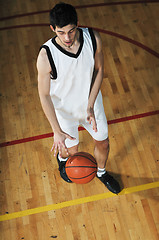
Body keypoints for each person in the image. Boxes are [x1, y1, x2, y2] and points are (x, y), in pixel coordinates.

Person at [37, 2, 121, 194]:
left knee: (103, 142)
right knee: (72, 154)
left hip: (91, 104)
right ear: (53, 29)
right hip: (64, 112)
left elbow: (99, 70)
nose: (67, 37)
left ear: (77, 25)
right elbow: (43, 95)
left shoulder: (93, 37)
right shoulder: (46, 55)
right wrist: (56, 130)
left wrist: (90, 105)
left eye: (71, 31)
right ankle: (63, 159)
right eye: (61, 32)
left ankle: (101, 172)